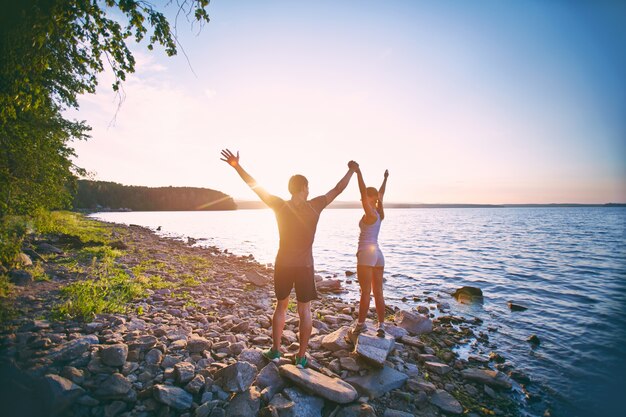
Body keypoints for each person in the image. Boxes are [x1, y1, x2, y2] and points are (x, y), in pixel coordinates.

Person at [220, 149, 358, 368]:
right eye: (308, 187)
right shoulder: (315, 205)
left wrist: (237, 166)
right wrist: (351, 170)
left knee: (281, 307)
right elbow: (338, 189)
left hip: (283, 264)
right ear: (304, 188)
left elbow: (254, 186)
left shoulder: (279, 205)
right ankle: (301, 357)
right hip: (304, 266)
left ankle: (275, 351)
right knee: (305, 310)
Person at [350, 167, 389, 339]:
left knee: (365, 292)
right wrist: (385, 178)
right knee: (378, 292)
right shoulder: (379, 213)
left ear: (370, 198)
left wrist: (358, 173)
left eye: (365, 197)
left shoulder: (371, 212)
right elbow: (381, 194)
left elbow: (362, 190)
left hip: (366, 253)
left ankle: (360, 325)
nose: (362, 199)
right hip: (378, 254)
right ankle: (381, 326)